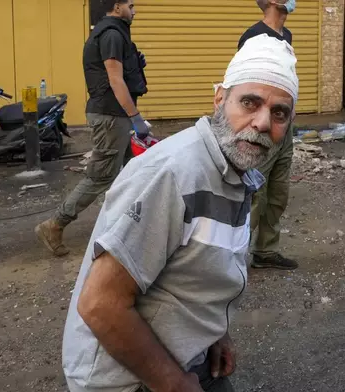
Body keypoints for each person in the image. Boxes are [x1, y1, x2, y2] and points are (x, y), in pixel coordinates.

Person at [62, 34, 299, 392]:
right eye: (249, 103)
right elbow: (100, 304)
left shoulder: (236, 173)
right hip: (128, 380)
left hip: (188, 358)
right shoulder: (174, 173)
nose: (263, 122)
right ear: (220, 100)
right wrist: (172, 383)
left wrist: (215, 334)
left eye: (279, 112)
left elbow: (200, 271)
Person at [35, 0, 149, 256]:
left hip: (114, 114)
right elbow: (115, 79)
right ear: (117, 6)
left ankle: (127, 227)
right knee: (101, 176)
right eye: (131, 5)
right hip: (111, 115)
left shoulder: (114, 33)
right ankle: (54, 224)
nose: (135, 10)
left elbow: (123, 75)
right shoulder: (111, 35)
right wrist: (136, 117)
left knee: (131, 173)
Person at [237, 0, 298, 270]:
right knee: (255, 192)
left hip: (285, 123)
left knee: (278, 192)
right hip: (263, 125)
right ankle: (234, 256)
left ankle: (266, 250)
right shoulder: (253, 37)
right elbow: (244, 86)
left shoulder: (287, 36)